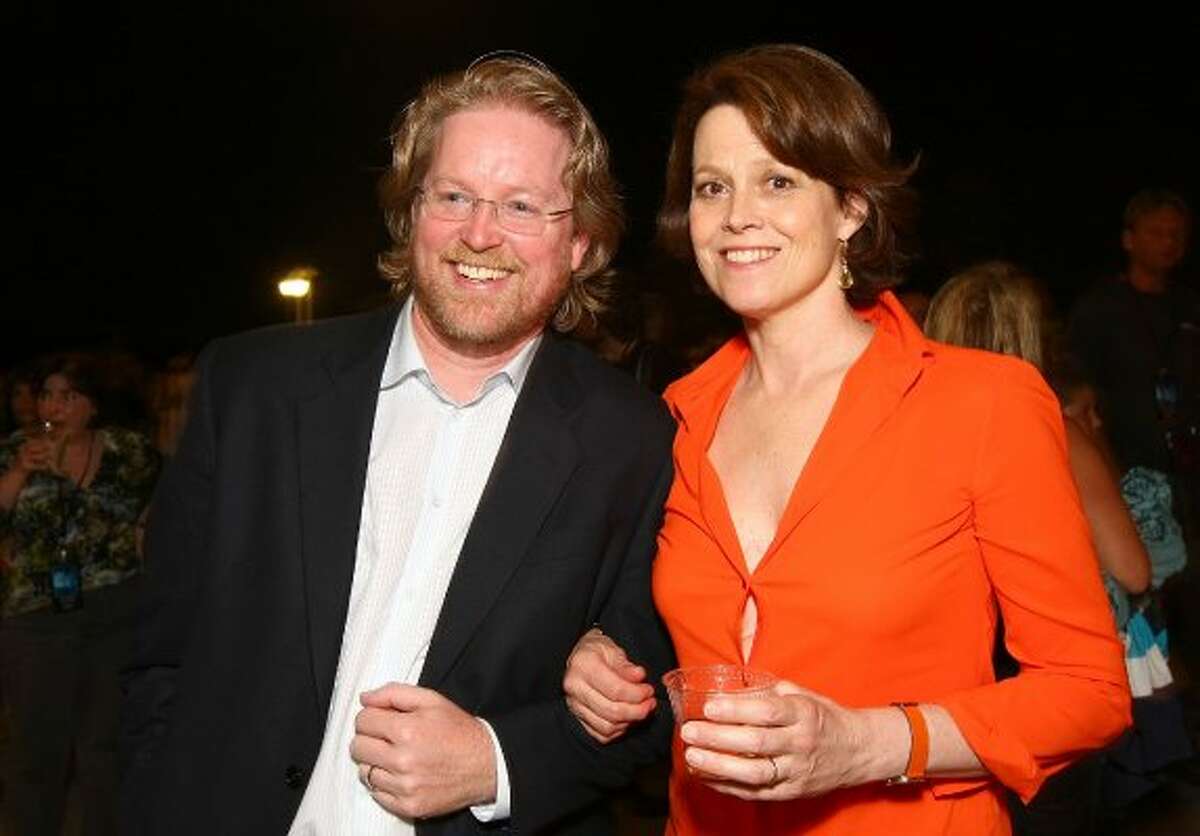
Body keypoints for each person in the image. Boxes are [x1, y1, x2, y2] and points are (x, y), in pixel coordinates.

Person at [562, 45, 1130, 835]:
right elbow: (684, 641)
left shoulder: (981, 404)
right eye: (711, 188)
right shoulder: (677, 420)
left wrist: (872, 743)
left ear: (853, 209)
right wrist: (604, 659)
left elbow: (1088, 691)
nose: (736, 216)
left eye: (779, 181)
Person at [119, 56, 677, 836]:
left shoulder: (636, 443)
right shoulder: (252, 388)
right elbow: (156, 659)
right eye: (453, 195)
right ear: (412, 211)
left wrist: (496, 760)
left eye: (521, 205)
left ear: (581, 243)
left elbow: (649, 711)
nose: (479, 234)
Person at [925, 262, 1152, 835]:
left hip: (939, 702)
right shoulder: (1051, 428)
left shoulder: (902, 432)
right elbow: (1134, 571)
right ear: (1032, 333)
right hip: (1041, 701)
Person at [0, 354, 161, 836]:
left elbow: (146, 502)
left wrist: (73, 476)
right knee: (36, 747)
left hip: (112, 609)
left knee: (104, 747)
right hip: (37, 616)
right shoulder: (15, 449)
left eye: (66, 395)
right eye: (47, 394)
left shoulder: (126, 451)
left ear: (92, 404)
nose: (53, 404)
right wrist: (20, 474)